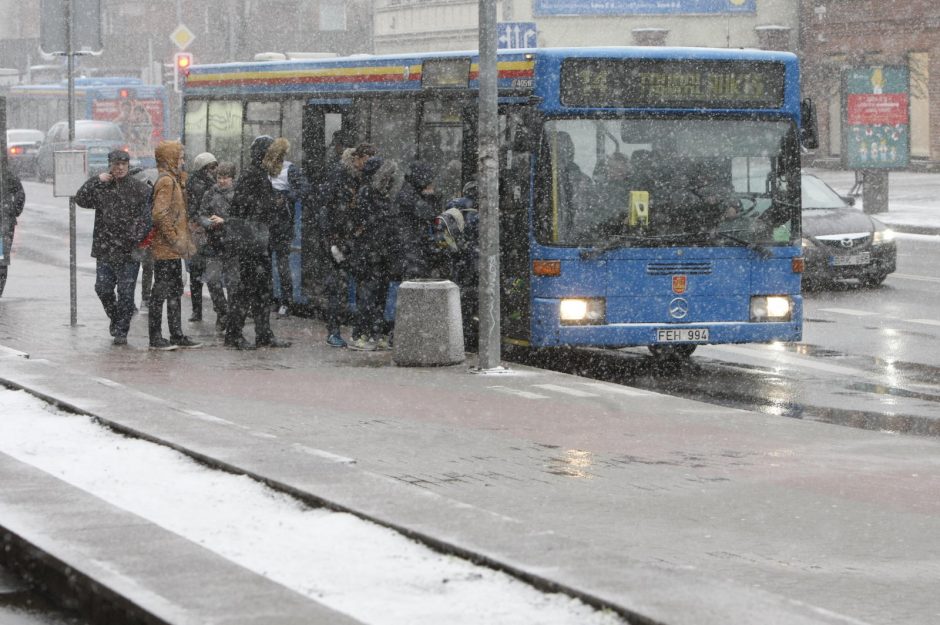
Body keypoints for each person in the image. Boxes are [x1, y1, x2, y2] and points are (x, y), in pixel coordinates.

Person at [74, 150, 151, 345]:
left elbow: (148, 217)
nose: (120, 168)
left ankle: (121, 330)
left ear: (128, 165)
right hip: (105, 248)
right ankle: (116, 317)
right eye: (116, 164)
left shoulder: (139, 188)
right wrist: (95, 180)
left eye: (123, 164)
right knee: (102, 288)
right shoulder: (102, 187)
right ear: (110, 165)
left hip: (129, 251)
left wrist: (135, 238)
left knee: (126, 292)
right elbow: (81, 199)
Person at [224, 135, 291, 350]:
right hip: (250, 243)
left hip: (258, 242)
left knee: (263, 290)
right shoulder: (252, 175)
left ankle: (263, 334)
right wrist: (271, 203)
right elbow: (242, 206)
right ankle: (234, 334)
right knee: (246, 290)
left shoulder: (260, 175)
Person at [315, 142, 377, 348]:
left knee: (354, 286)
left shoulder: (361, 178)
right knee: (337, 288)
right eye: (365, 160)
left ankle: (350, 331)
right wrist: (332, 241)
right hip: (337, 240)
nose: (366, 165)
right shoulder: (339, 176)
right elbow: (327, 209)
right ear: (358, 158)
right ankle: (333, 332)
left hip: (351, 240)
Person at [148, 141, 201, 350]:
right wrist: (174, 238)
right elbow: (159, 214)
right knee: (161, 292)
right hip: (165, 250)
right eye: (179, 158)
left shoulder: (174, 179)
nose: (182, 162)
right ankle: (157, 337)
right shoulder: (167, 182)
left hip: (172, 250)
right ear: (170, 159)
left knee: (174, 290)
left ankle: (176, 333)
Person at [346, 157, 399, 351]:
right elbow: (367, 223)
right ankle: (361, 334)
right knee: (369, 295)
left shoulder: (378, 195)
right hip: (371, 253)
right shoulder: (368, 194)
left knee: (378, 295)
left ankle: (375, 333)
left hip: (379, 253)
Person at [265, 140, 306, 318]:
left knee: (279, 263)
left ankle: (284, 301)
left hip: (280, 222)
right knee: (269, 264)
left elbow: (303, 189)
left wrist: (286, 197)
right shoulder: (266, 169)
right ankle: (274, 300)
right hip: (269, 222)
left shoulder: (289, 169)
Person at [197, 161, 236, 332]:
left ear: (232, 179)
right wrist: (208, 223)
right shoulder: (209, 194)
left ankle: (233, 317)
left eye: (225, 178)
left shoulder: (238, 195)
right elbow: (201, 214)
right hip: (213, 243)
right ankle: (222, 312)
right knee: (213, 281)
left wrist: (225, 222)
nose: (222, 181)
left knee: (234, 283)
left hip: (233, 244)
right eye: (219, 177)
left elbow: (241, 220)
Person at [185, 152, 218, 322]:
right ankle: (215, 310)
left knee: (198, 273)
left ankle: (197, 311)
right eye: (212, 167)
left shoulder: (198, 182)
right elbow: (195, 209)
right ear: (204, 168)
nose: (215, 170)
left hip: (200, 230)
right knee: (206, 273)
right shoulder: (204, 185)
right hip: (201, 231)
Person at [395, 160, 442, 280]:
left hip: (414, 244)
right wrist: (431, 197)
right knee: (415, 280)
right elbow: (430, 213)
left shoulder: (412, 190)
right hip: (411, 246)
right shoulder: (408, 193)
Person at [0, 165, 26, 298]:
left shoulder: (6, 175)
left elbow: (19, 193)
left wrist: (12, 211)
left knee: (1, 261)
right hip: (4, 223)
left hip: (3, 226)